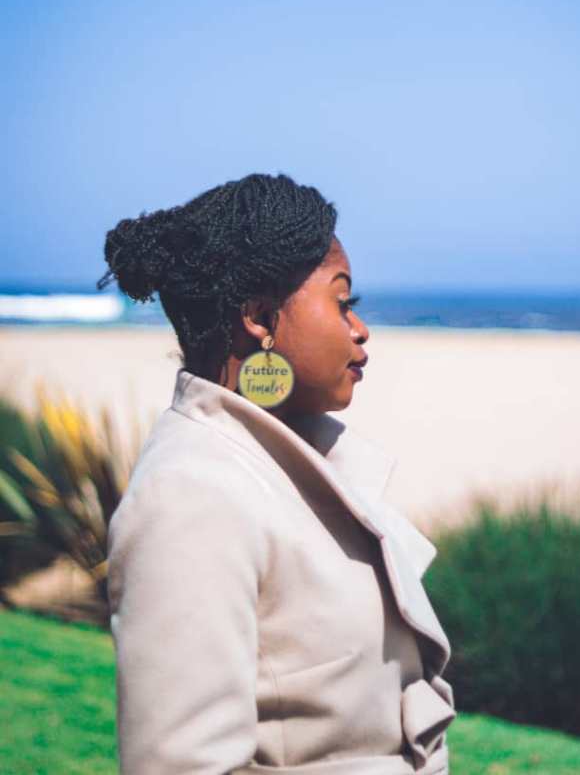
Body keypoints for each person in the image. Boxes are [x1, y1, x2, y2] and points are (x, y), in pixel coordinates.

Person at [100, 171, 457, 775]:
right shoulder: (191, 497)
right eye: (342, 303)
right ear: (262, 318)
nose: (360, 329)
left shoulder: (276, 463)